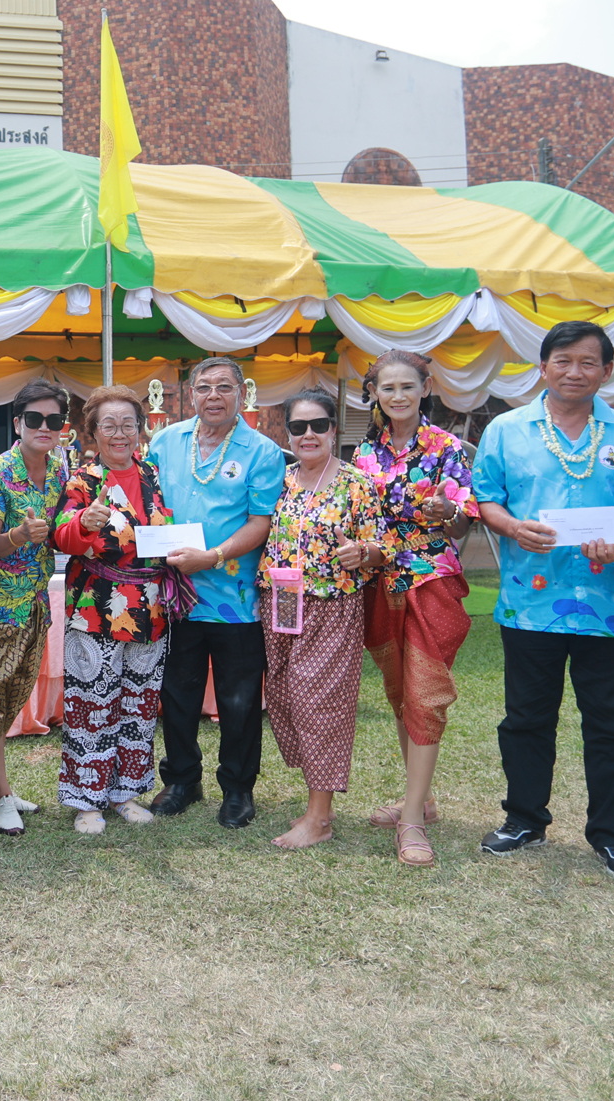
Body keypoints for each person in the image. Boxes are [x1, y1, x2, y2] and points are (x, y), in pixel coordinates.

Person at [473, 319, 614, 883]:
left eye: (588, 362)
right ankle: (524, 819)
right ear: (543, 366)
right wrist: (512, 527)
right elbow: (485, 498)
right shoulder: (506, 430)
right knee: (526, 719)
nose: (574, 372)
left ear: (607, 370)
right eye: (563, 360)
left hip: (609, 606)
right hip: (529, 605)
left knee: (612, 724)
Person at [143, 358, 282, 830]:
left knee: (238, 701)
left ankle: (238, 789)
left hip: (235, 601)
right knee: (177, 694)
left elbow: (261, 522)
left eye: (224, 387)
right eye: (204, 387)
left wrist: (214, 555)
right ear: (191, 394)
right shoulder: (166, 442)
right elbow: (148, 503)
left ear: (242, 393)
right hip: (175, 597)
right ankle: (182, 780)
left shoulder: (262, 451)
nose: (214, 396)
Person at [353, 350, 479, 867]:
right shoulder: (365, 452)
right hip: (380, 580)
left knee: (425, 695)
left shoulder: (447, 448)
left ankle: (411, 822)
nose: (398, 395)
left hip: (431, 581)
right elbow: (358, 516)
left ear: (425, 389)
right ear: (374, 394)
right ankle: (420, 800)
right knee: (400, 692)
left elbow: (463, 521)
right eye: (388, 388)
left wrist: (449, 511)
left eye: (408, 386)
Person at [50, 383, 190, 835]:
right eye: (109, 425)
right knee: (91, 704)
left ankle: (126, 793)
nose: (120, 433)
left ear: (140, 430)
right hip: (96, 608)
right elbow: (61, 536)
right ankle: (87, 799)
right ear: (92, 432)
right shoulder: (83, 481)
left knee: (140, 705)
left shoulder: (153, 476)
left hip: (151, 610)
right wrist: (83, 523)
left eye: (128, 424)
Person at [258, 388, 383, 850]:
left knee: (320, 704)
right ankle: (316, 803)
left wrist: (362, 552)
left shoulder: (356, 483)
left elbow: (381, 546)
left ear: (334, 429)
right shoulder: (280, 480)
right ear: (287, 432)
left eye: (318, 425)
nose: (308, 434)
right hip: (280, 602)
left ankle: (319, 817)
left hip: (331, 604)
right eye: (298, 426)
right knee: (285, 697)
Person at [0, 379, 70, 834]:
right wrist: (18, 535)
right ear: (18, 423)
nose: (44, 427)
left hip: (36, 604)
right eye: (34, 418)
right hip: (0, 608)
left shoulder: (60, 473)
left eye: (54, 420)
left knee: (14, 698)